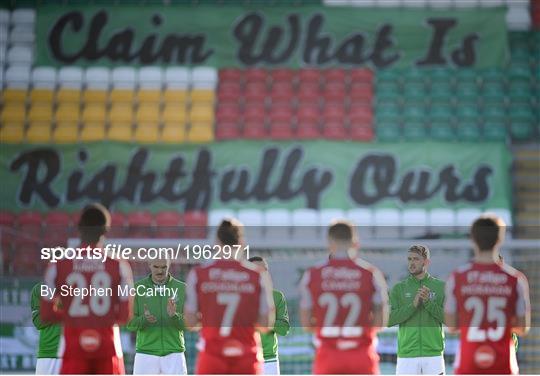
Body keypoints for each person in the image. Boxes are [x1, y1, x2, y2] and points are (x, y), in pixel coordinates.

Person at [41, 203, 134, 374]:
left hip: (72, 349)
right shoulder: (119, 265)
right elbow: (124, 315)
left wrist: (72, 316)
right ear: (106, 231)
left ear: (79, 228)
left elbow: (46, 314)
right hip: (108, 350)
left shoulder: (57, 265)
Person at [184, 218, 275, 374]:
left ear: (216, 242)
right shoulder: (257, 275)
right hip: (247, 357)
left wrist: (209, 318)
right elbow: (266, 324)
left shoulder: (199, 274)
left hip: (212, 357)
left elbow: (190, 322)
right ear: (242, 243)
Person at [299, 220, 388, 374]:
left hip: (328, 357)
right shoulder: (371, 273)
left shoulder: (313, 274)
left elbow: (306, 324)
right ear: (355, 242)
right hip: (362, 356)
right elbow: (380, 322)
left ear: (329, 242)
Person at [445, 214, 531, 374]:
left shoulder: (457, 277)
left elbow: (452, 325)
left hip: (468, 364)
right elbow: (522, 328)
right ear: (500, 239)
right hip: (504, 365)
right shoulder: (515, 279)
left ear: (473, 239)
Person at [388, 245, 446, 375]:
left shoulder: (441, 287)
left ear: (426, 262)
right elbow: (388, 320)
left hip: (434, 355)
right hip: (407, 356)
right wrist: (413, 305)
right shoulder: (399, 288)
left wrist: (428, 303)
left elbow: (450, 320)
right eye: (409, 259)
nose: (411, 263)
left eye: (416, 259)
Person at [127, 258, 187, 374]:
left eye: (164, 267)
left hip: (174, 354)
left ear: (169, 266)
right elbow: (130, 324)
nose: (160, 271)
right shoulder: (138, 288)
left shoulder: (181, 288)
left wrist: (174, 316)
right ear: (149, 265)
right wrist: (144, 319)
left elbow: (189, 325)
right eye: (156, 267)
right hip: (145, 354)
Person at [249, 256, 290, 375]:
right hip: (247, 356)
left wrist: (266, 320)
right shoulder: (241, 296)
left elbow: (284, 329)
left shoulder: (277, 296)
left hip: (270, 360)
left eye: (265, 270)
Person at [31, 282, 61, 374]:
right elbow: (38, 322)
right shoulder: (40, 288)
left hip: (73, 354)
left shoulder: (80, 286)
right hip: (48, 353)